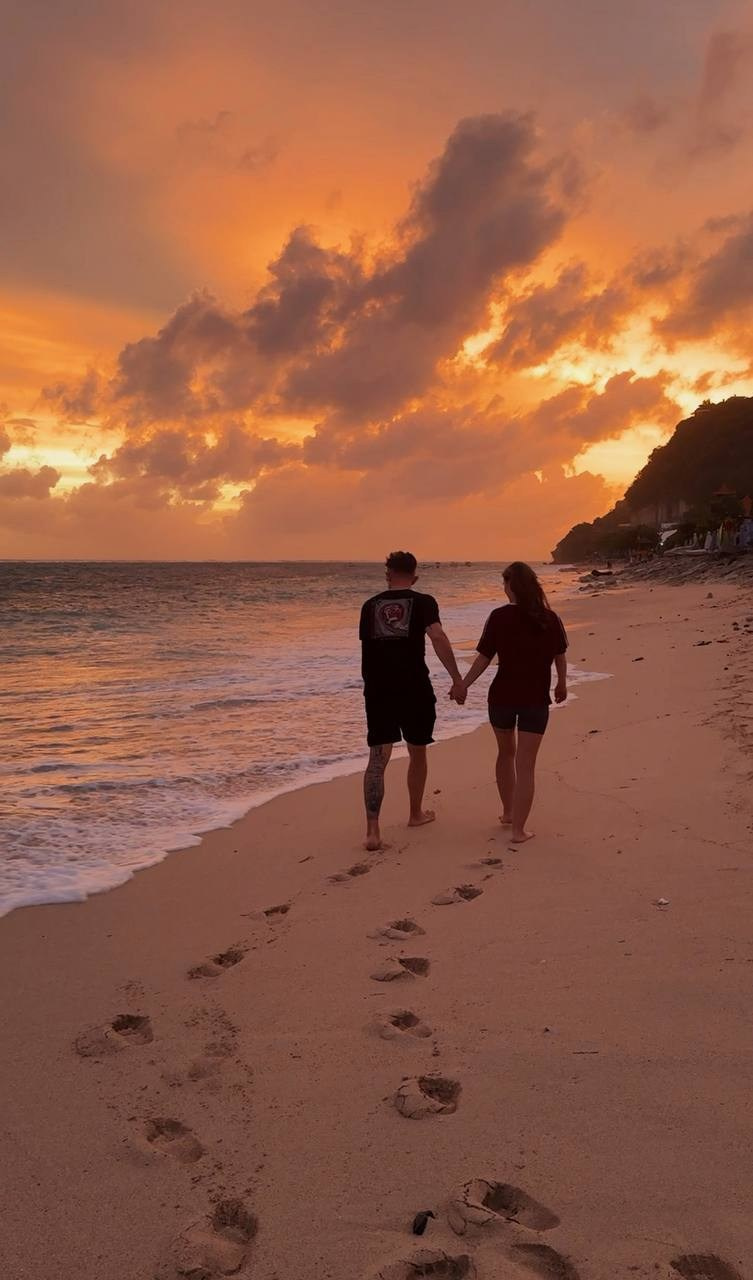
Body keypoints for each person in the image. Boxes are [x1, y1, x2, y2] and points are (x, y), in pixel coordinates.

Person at [360, 551, 466, 851]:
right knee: (417, 752)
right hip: (414, 687)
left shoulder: (369, 606)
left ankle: (372, 831)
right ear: (415, 576)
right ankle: (415, 814)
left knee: (377, 759)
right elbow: (438, 637)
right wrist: (457, 679)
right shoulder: (424, 602)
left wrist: (371, 687)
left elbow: (367, 652)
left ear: (387, 574)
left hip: (379, 691)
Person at [456, 561, 568, 845]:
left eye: (504, 584)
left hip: (502, 698)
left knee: (505, 754)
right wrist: (561, 683)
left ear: (510, 586)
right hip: (535, 700)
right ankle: (518, 830)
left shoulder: (498, 617)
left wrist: (463, 685)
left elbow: (483, 657)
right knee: (526, 765)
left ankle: (508, 812)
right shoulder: (549, 618)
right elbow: (559, 655)